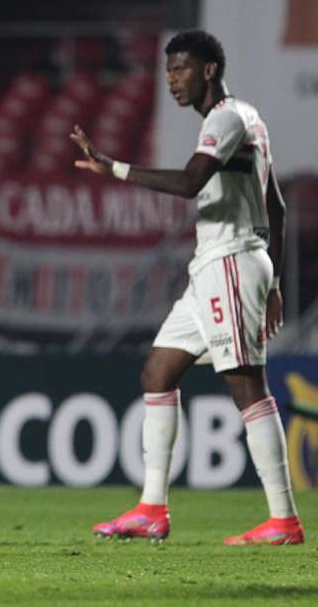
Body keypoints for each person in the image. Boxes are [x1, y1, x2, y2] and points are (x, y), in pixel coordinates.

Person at [71, 30, 302, 546]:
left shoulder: (225, 117)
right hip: (214, 267)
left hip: (232, 264)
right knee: (158, 371)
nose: (172, 78)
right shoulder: (246, 119)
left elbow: (190, 183)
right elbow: (278, 208)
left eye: (181, 68)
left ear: (209, 71)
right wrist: (277, 281)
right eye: (168, 69)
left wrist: (113, 166)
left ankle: (283, 520)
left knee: (246, 385)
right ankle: (152, 508)